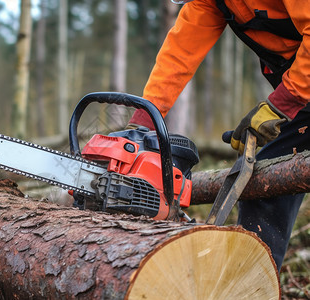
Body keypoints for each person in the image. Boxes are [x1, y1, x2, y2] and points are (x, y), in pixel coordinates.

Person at [128, 0, 308, 271]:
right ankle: (247, 285)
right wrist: (143, 121)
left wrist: (283, 103)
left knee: (268, 185)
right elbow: (178, 55)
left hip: (300, 91)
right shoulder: (212, 2)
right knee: (265, 184)